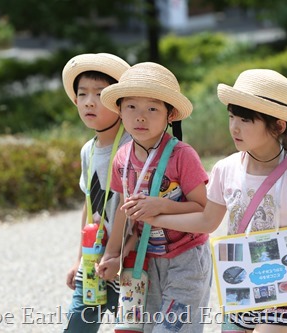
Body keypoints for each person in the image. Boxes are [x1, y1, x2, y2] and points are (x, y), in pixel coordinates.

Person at [133, 68, 287, 333]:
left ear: (278, 125)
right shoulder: (225, 169)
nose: (234, 127)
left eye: (245, 120)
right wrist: (156, 218)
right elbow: (208, 221)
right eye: (231, 117)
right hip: (240, 282)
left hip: (286, 285)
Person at [96, 62, 212, 332]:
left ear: (170, 114)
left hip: (187, 257)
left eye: (152, 108)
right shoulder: (122, 157)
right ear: (120, 111)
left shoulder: (182, 155)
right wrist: (113, 254)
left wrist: (162, 206)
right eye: (131, 107)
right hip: (145, 258)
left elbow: (203, 208)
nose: (140, 117)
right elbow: (123, 210)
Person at [61, 53, 131, 332]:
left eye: (100, 94)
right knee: (78, 325)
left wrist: (116, 253)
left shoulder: (131, 145)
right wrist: (79, 260)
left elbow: (129, 203)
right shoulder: (88, 150)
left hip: (128, 257)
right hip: (95, 257)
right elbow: (89, 205)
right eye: (83, 94)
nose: (89, 101)